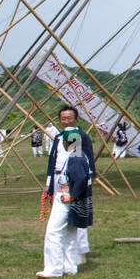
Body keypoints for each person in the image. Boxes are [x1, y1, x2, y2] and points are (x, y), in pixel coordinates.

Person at [37, 127, 92, 278]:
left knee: (53, 233)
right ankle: (70, 266)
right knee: (69, 234)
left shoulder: (76, 158)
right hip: (70, 199)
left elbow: (80, 179)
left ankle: (54, 269)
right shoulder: (79, 155)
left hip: (66, 199)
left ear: (66, 143)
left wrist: (72, 196)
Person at [46, 105, 96, 265]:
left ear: (76, 119)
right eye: (63, 118)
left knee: (77, 214)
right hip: (58, 178)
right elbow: (52, 160)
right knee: (60, 217)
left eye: (69, 118)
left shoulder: (82, 136)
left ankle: (80, 251)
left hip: (75, 180)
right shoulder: (59, 137)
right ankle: (61, 253)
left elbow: (88, 160)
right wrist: (48, 183)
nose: (66, 121)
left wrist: (86, 182)